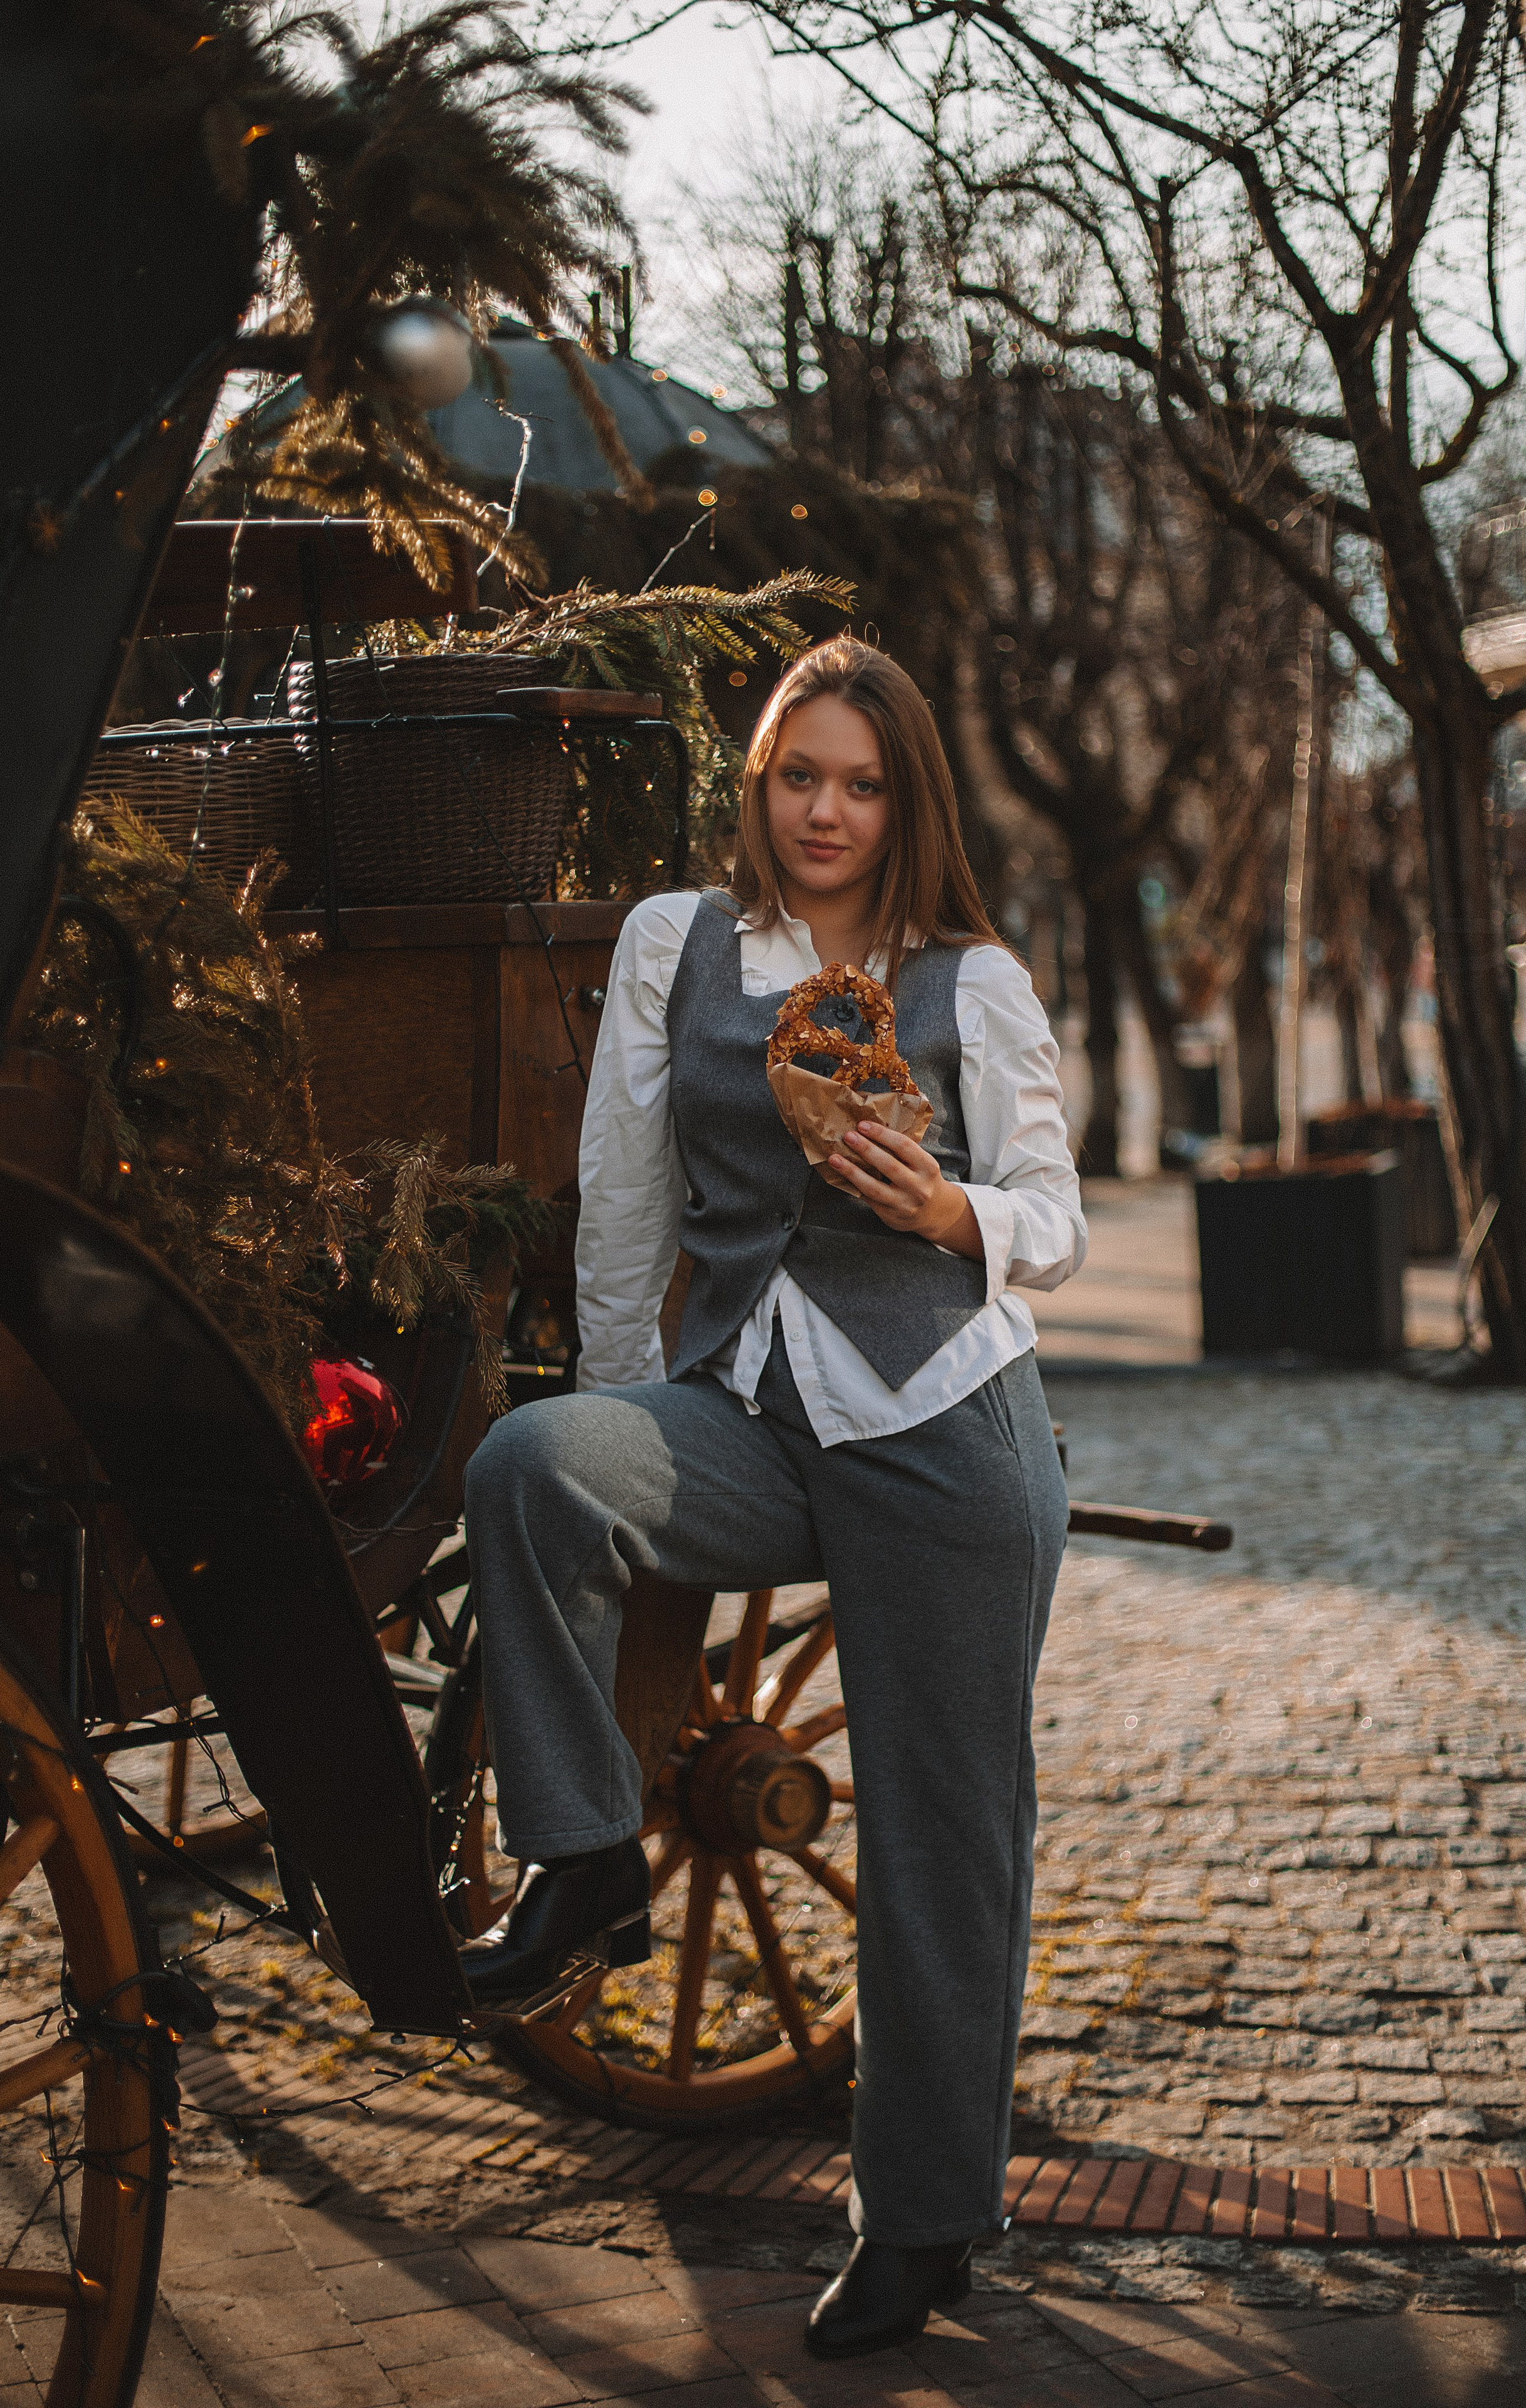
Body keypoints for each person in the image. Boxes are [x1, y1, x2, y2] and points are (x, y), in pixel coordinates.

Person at [461, 636, 1086, 2358]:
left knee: (944, 1841)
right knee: (532, 1468)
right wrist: (625, 1399)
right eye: (799, 775)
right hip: (747, 1405)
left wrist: (952, 1212)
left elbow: (1055, 1216)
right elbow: (623, 1199)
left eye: (863, 784)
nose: (827, 811)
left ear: (907, 802)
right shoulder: (678, 945)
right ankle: (586, 1861)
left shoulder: (970, 982)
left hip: (946, 1432)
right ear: (758, 783)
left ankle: (926, 2223)